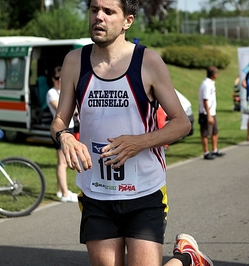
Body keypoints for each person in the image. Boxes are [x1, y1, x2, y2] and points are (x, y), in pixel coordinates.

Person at [50, 1, 214, 265]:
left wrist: (139, 142)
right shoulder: (74, 61)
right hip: (97, 192)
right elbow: (59, 120)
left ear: (127, 20)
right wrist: (65, 136)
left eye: (108, 12)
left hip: (144, 191)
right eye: (94, 10)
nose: (98, 17)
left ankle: (186, 259)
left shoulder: (147, 61)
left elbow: (181, 122)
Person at [46, 66, 78, 203]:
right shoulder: (52, 93)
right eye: (57, 78)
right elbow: (61, 109)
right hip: (59, 130)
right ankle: (65, 193)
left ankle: (60, 190)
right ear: (53, 79)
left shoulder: (64, 92)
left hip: (69, 128)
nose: (60, 80)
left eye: (62, 78)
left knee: (62, 162)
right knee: (62, 163)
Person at [198, 66, 225, 160]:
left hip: (212, 112)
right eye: (217, 73)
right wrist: (209, 115)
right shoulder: (206, 84)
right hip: (206, 113)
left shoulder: (211, 83)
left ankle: (214, 150)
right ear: (213, 74)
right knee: (205, 133)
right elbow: (205, 100)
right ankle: (206, 152)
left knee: (215, 131)